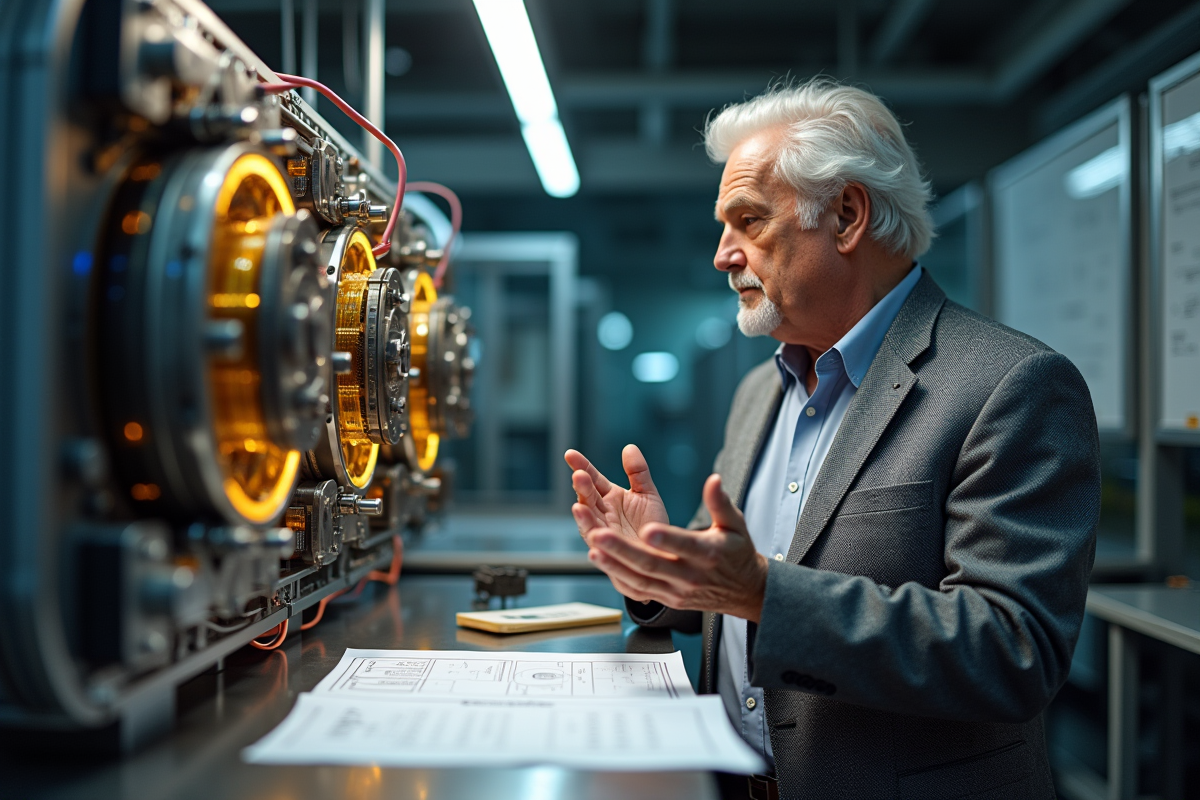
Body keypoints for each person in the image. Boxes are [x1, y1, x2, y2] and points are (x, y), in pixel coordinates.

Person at [564, 79, 1099, 800]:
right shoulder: (758, 393)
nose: (723, 255)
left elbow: (1012, 651)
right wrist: (661, 566)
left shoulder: (1012, 384)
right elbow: (732, 583)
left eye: (749, 221)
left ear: (846, 216)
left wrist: (765, 594)